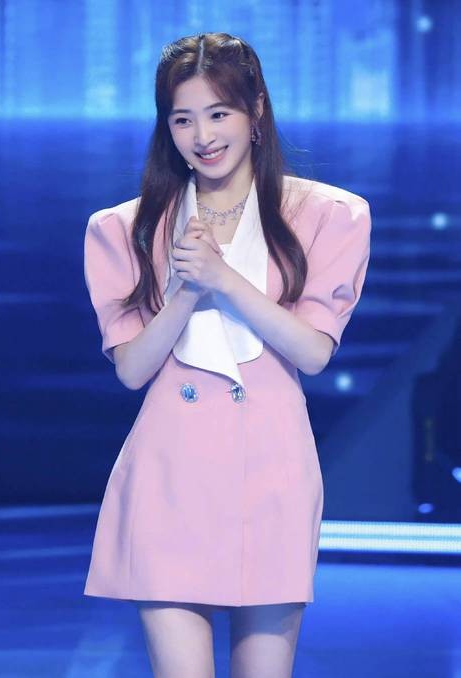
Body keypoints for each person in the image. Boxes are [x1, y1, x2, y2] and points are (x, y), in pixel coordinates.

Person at [83, 32, 371, 678]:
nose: (203, 136)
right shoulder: (123, 228)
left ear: (256, 109)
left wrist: (224, 279)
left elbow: (314, 352)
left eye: (219, 113)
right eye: (183, 119)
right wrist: (185, 291)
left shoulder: (329, 215)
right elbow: (132, 369)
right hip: (169, 476)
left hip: (272, 472)